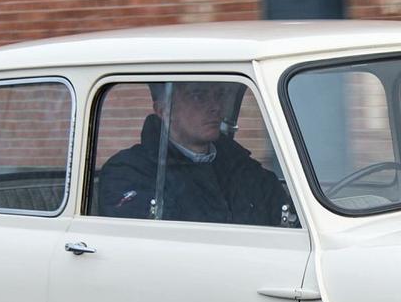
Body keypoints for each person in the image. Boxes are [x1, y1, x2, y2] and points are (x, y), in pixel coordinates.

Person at [96, 82, 288, 226]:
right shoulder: (128, 172)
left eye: (219, 95)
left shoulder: (241, 168)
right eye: (199, 96)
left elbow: (288, 220)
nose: (216, 107)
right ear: (164, 110)